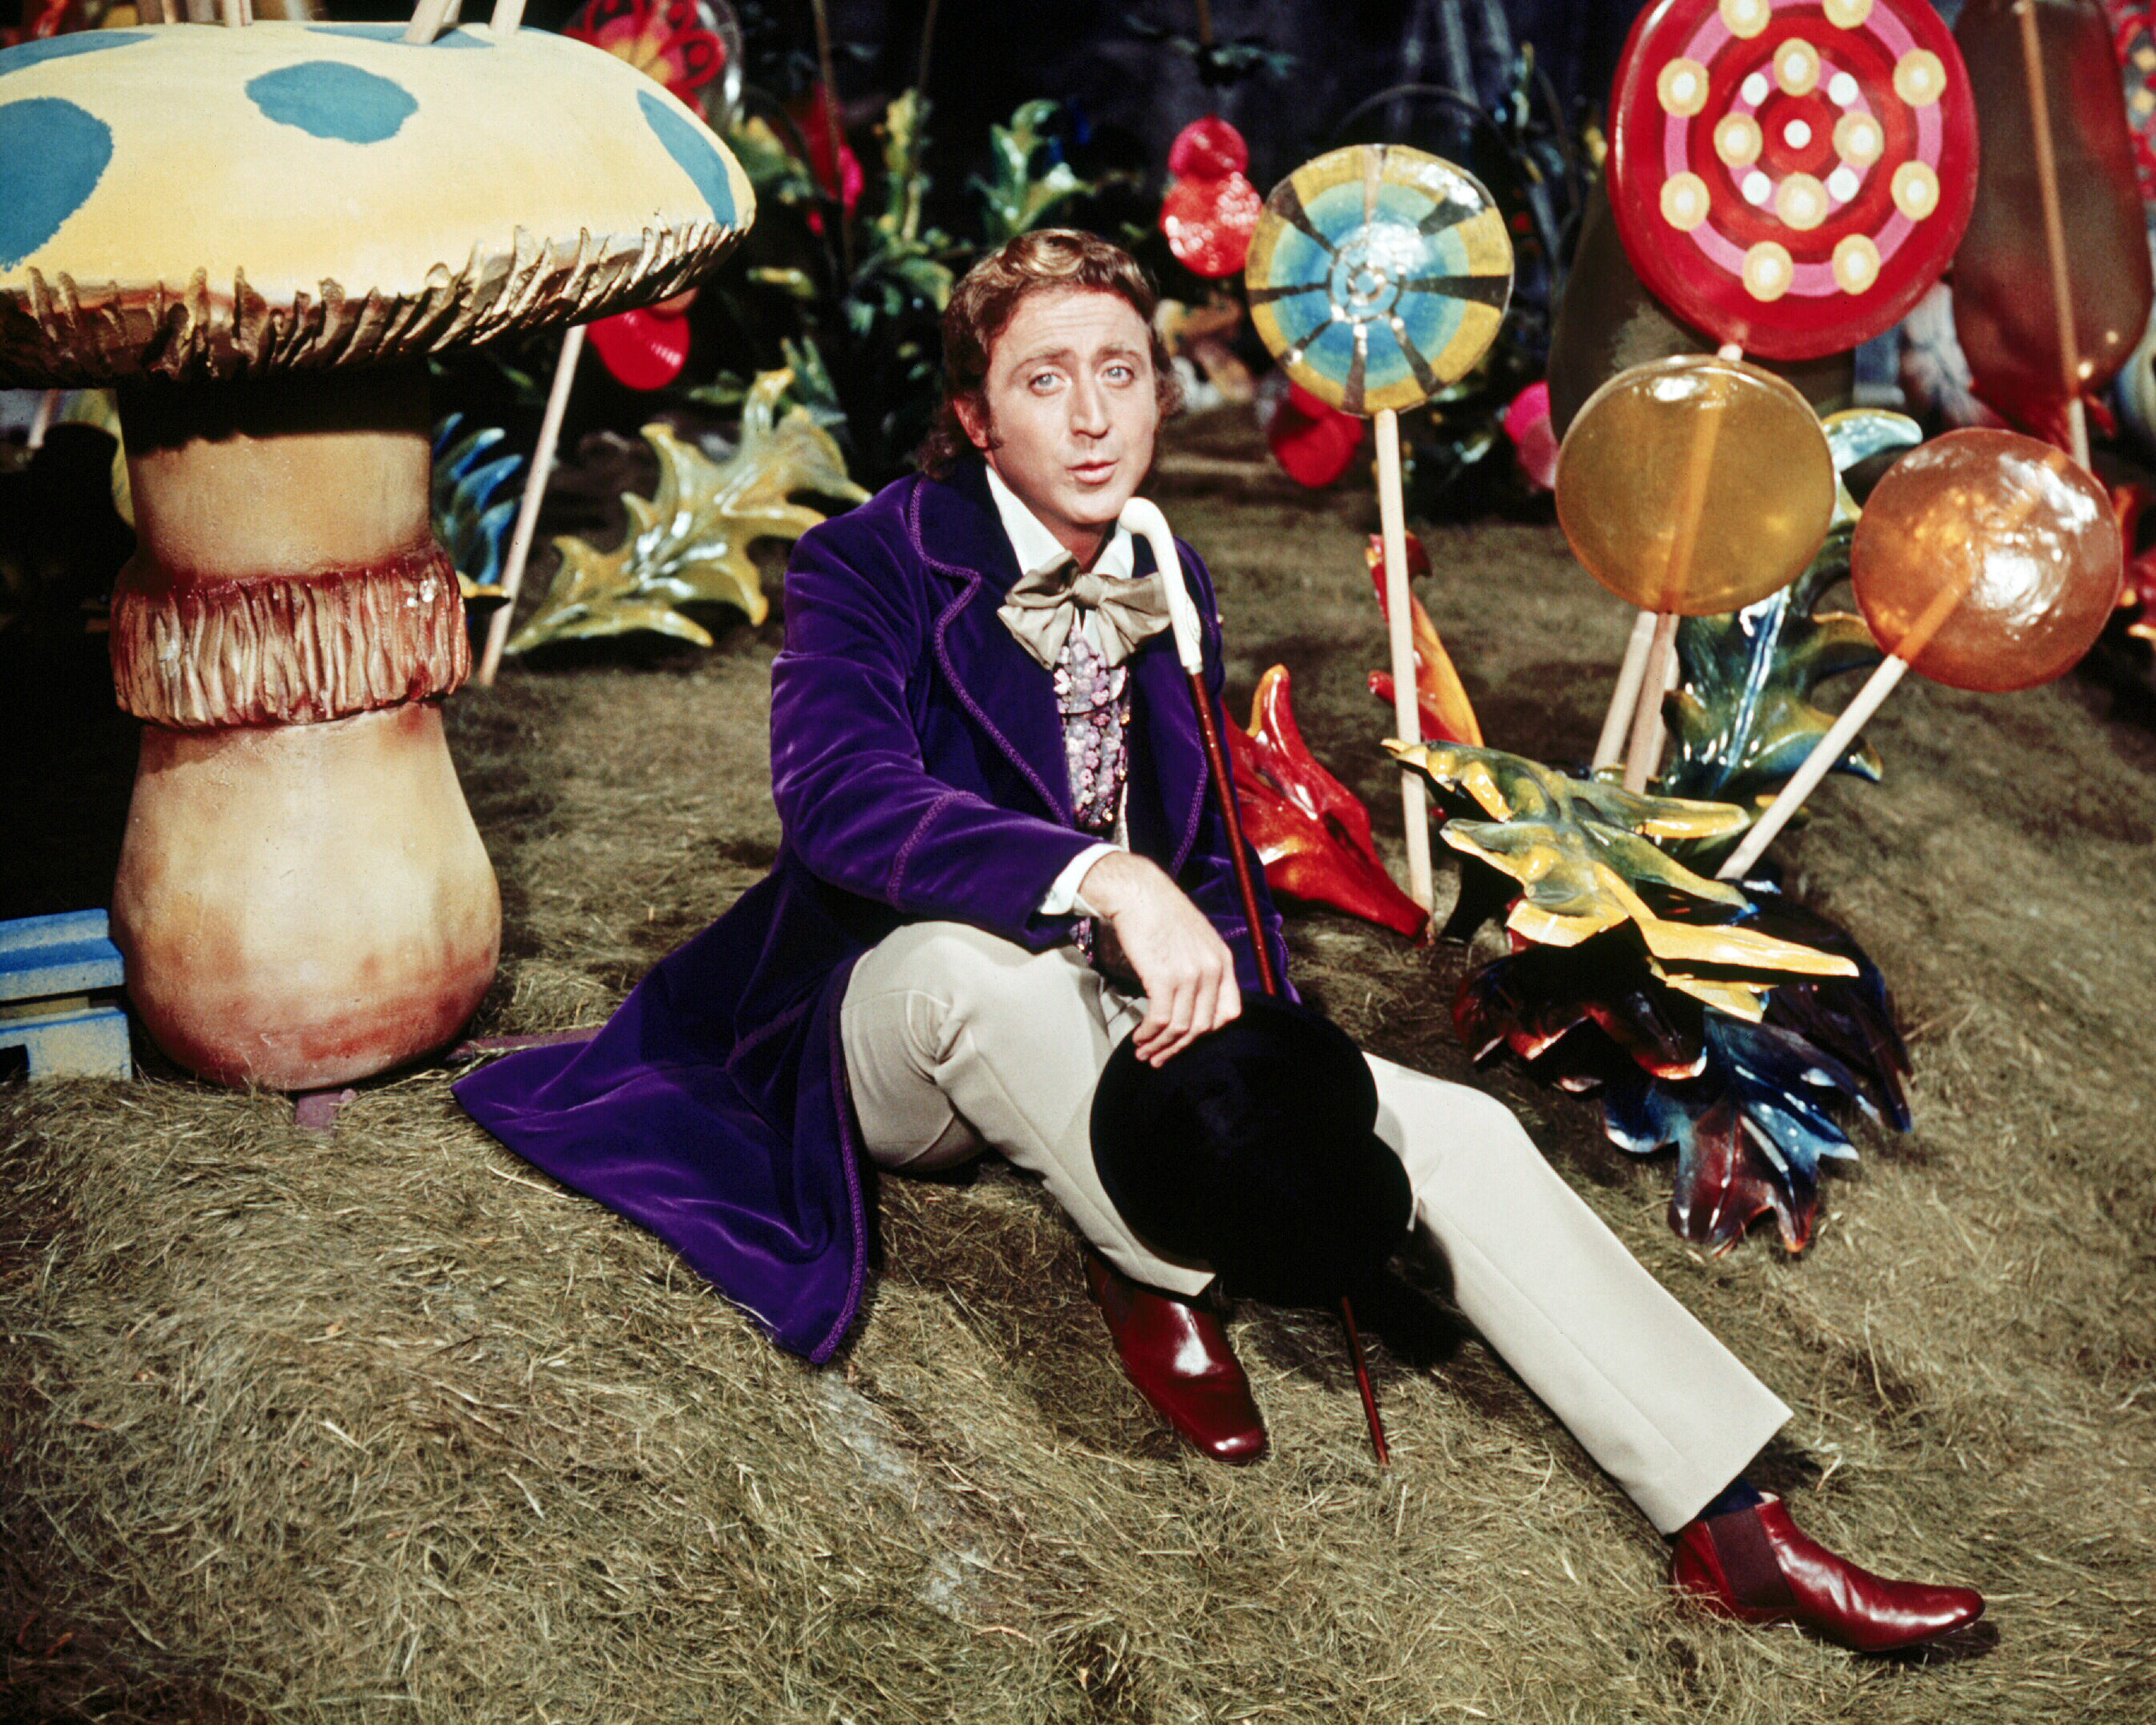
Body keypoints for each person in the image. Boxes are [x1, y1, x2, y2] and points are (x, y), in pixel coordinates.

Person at [456, 230, 1984, 1654]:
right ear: (978, 421)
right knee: (973, 978)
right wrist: (1097, 880)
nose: (1091, 414)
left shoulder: (1168, 572)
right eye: (1042, 381)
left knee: (1449, 1134)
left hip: (1119, 1007)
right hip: (885, 1012)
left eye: (1120, 369)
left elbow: (1203, 862)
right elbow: (845, 800)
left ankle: (1734, 1523)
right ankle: (1164, 1258)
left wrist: (1267, 1037)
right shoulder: (876, 559)